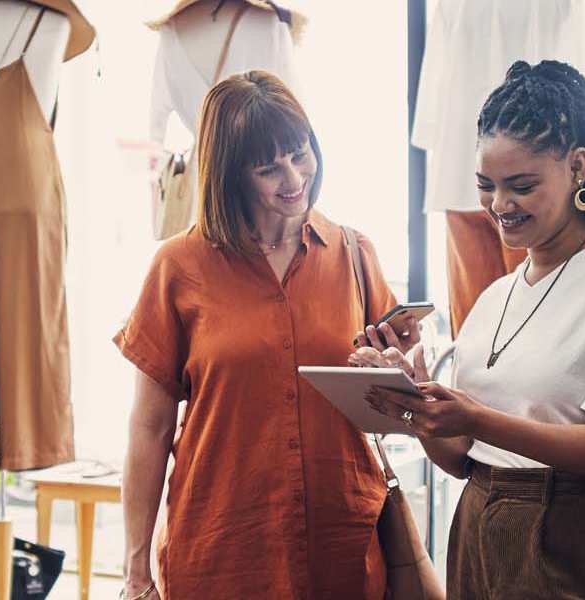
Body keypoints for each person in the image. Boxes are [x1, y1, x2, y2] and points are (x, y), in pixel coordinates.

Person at [359, 60, 585, 599]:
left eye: (521, 186)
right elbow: (462, 457)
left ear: (578, 168)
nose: (499, 206)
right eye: (485, 186)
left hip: (583, 541)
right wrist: (415, 402)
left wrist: (476, 417)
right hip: (479, 536)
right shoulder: (497, 296)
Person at [114, 70, 418, 600]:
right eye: (268, 168)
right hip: (222, 550)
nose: (294, 177)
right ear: (231, 175)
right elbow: (149, 430)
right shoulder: (177, 268)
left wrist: (398, 371)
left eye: (300, 154)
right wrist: (135, 568)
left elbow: (391, 416)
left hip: (342, 545)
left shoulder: (353, 255)